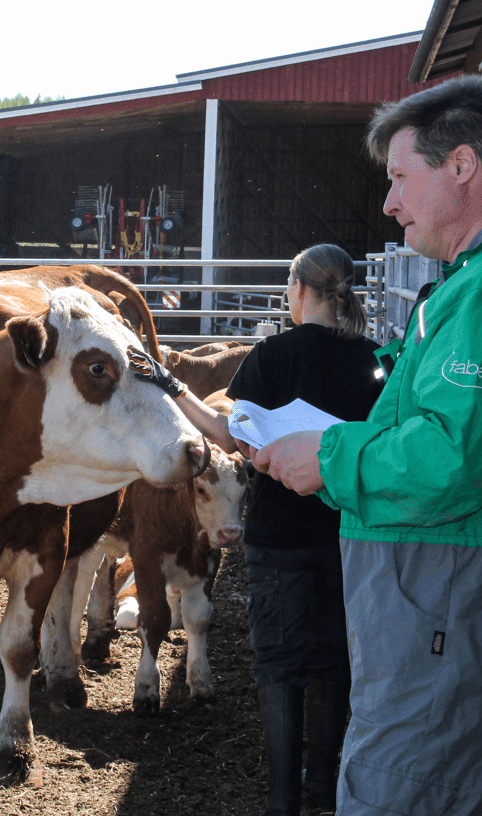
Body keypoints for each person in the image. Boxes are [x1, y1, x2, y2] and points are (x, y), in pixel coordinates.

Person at [251, 75, 482, 815]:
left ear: (461, 167)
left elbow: (453, 458)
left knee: (399, 794)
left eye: (401, 177)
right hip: (460, 600)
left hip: (452, 606)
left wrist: (329, 456)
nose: (388, 202)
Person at [131, 244, 383, 815]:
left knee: (278, 662)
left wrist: (169, 385)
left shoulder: (271, 355)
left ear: (299, 291)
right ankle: (324, 790)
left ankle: (282, 800)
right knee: (333, 658)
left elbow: (229, 436)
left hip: (278, 539)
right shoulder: (377, 360)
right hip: (349, 533)